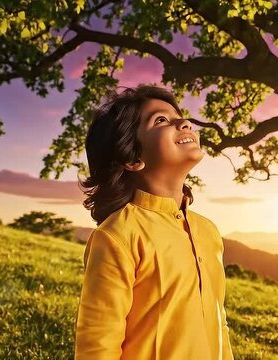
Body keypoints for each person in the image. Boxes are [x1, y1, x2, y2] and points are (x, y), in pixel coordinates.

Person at [75, 84, 234, 359]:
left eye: (179, 116)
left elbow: (219, 324)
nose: (184, 122)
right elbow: (98, 345)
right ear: (133, 158)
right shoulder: (118, 235)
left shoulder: (208, 232)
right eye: (161, 120)